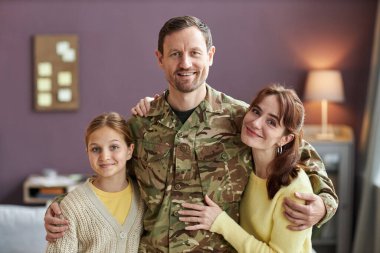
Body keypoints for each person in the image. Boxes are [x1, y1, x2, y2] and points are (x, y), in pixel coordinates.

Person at [44, 16, 338, 252]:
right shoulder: (140, 124)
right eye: (175, 54)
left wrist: (324, 204)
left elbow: (302, 154)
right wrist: (63, 210)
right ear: (160, 59)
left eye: (195, 53)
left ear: (210, 56)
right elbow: (109, 175)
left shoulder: (244, 119)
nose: (185, 63)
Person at [178, 84, 313, 252]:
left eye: (271, 122)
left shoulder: (295, 189)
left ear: (285, 139)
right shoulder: (244, 166)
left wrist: (220, 222)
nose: (255, 123)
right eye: (256, 111)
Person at [45, 112, 144, 253]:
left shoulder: (144, 196)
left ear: (129, 150)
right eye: (95, 149)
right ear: (87, 153)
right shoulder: (71, 206)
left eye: (114, 147)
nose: (105, 156)